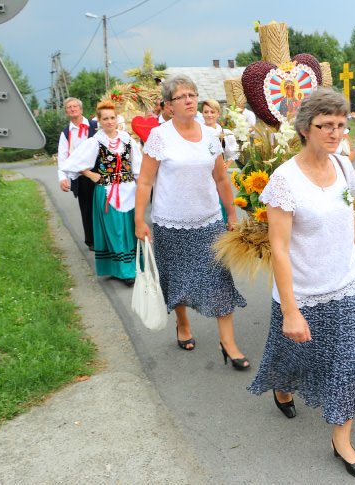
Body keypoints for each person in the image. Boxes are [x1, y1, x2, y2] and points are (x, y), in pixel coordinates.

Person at [247, 87, 355, 481]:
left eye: (341, 124)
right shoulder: (285, 180)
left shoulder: (341, 166)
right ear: (306, 127)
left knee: (348, 363)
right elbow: (280, 249)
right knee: (290, 352)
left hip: (347, 285)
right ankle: (281, 387)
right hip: (303, 290)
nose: (336, 133)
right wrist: (290, 310)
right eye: (326, 125)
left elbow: (349, 216)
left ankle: (342, 440)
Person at [134, 74, 249, 365]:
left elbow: (222, 178)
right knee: (177, 280)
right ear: (169, 105)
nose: (189, 100)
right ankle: (183, 325)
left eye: (192, 95)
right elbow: (145, 181)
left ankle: (229, 343)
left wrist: (232, 213)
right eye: (181, 96)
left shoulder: (210, 136)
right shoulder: (160, 137)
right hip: (170, 223)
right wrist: (139, 220)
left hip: (209, 221)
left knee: (220, 281)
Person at [61, 100, 142, 286]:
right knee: (116, 231)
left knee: (130, 229)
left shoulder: (127, 140)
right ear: (99, 121)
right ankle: (124, 271)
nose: (110, 121)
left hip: (129, 191)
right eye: (105, 118)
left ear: (117, 118)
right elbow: (72, 163)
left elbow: (138, 167)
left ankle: (132, 267)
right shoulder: (95, 142)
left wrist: (143, 186)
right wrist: (90, 174)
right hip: (107, 192)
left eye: (112, 117)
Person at [57, 97, 99, 251]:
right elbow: (62, 156)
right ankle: (92, 241)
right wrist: (62, 178)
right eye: (69, 107)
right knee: (87, 208)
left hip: (99, 172)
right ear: (67, 112)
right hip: (80, 176)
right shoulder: (66, 133)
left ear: (81, 110)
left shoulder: (95, 126)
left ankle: (106, 238)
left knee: (103, 206)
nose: (73, 109)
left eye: (75, 106)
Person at [202, 99, 240, 222]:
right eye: (206, 112)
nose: (209, 115)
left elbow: (232, 153)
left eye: (212, 112)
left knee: (220, 201)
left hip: (218, 175)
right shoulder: (198, 131)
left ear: (218, 113)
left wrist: (226, 165)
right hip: (202, 174)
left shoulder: (224, 133)